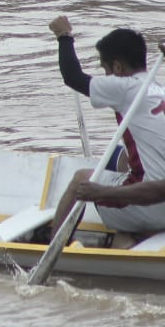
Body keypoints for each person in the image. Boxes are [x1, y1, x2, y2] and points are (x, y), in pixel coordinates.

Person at [48, 16, 165, 246]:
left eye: (105, 68)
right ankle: (132, 236)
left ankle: (51, 246)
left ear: (118, 67)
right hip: (159, 195)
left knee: (82, 178)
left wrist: (64, 37)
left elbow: (72, 77)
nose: (105, 75)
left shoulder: (124, 85)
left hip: (153, 203)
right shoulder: (158, 88)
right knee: (120, 158)